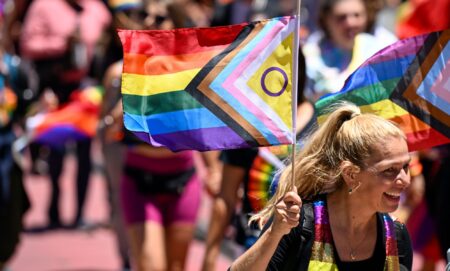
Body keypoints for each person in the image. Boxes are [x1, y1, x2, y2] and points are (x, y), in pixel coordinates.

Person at [229, 103, 413, 270]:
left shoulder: (397, 238)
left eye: (406, 166)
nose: (405, 180)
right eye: (390, 170)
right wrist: (273, 233)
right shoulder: (296, 223)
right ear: (350, 174)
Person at [201, 48, 316, 271]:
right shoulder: (247, 128)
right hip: (252, 244)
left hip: (305, 248)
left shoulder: (320, 122)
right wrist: (210, 254)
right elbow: (225, 196)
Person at [19, 0, 111, 228]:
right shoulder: (43, 6)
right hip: (55, 89)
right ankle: (54, 211)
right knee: (55, 153)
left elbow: (109, 35)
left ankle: (80, 213)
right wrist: (61, 44)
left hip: (85, 90)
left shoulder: (95, 9)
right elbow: (27, 44)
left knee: (85, 154)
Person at [303, 0, 397, 102]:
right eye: (341, 17)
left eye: (357, 15)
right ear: (326, 19)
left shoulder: (384, 49)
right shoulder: (311, 54)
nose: (350, 23)